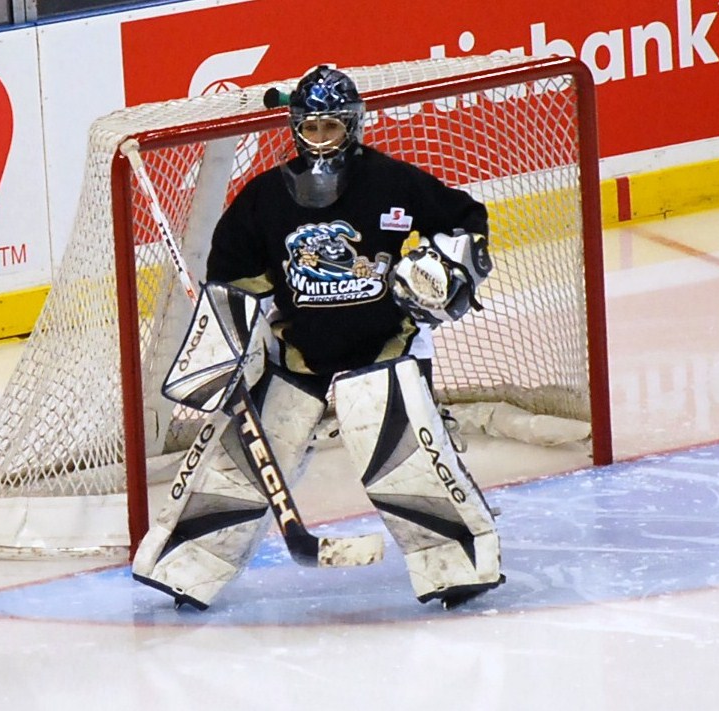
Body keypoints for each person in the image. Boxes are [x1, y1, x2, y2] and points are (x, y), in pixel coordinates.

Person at [132, 64, 504, 611]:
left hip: (383, 348)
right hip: (298, 353)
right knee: (237, 459)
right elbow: (229, 277)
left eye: (331, 127)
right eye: (311, 128)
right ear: (295, 128)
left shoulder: (392, 183)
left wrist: (447, 268)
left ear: (352, 126)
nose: (321, 140)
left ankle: (455, 564)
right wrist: (227, 342)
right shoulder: (264, 199)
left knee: (403, 459)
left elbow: (466, 222)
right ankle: (188, 565)